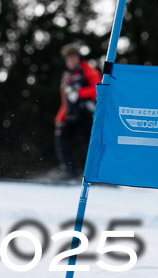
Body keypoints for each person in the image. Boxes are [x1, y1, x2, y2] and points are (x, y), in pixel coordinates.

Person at [54, 43, 102, 179]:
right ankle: (72, 172)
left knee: (89, 144)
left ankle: (96, 174)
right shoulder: (66, 76)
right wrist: (60, 118)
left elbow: (98, 89)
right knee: (61, 139)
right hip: (71, 116)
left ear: (79, 58)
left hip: (87, 115)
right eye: (68, 58)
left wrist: (79, 93)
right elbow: (66, 100)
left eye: (73, 57)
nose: (71, 61)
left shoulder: (88, 70)